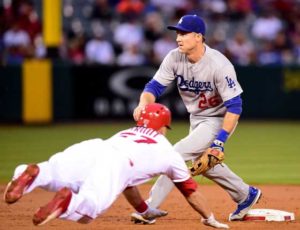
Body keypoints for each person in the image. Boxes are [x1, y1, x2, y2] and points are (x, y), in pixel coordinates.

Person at [4, 103, 229, 229]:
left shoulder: (126, 132)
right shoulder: (169, 152)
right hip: (117, 163)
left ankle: (30, 174)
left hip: (94, 147)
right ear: (163, 127)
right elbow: (191, 191)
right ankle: (70, 200)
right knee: (88, 210)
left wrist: (145, 211)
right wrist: (209, 218)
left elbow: (127, 184)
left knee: (52, 173)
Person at [132, 15, 262, 222]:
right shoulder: (174, 57)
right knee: (205, 164)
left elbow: (235, 106)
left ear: (199, 37)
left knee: (175, 155)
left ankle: (149, 207)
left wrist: (220, 141)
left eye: (183, 33)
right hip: (197, 118)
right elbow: (153, 87)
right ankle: (245, 194)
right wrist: (142, 104)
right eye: (177, 33)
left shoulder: (219, 64)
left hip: (219, 118)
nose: (178, 38)